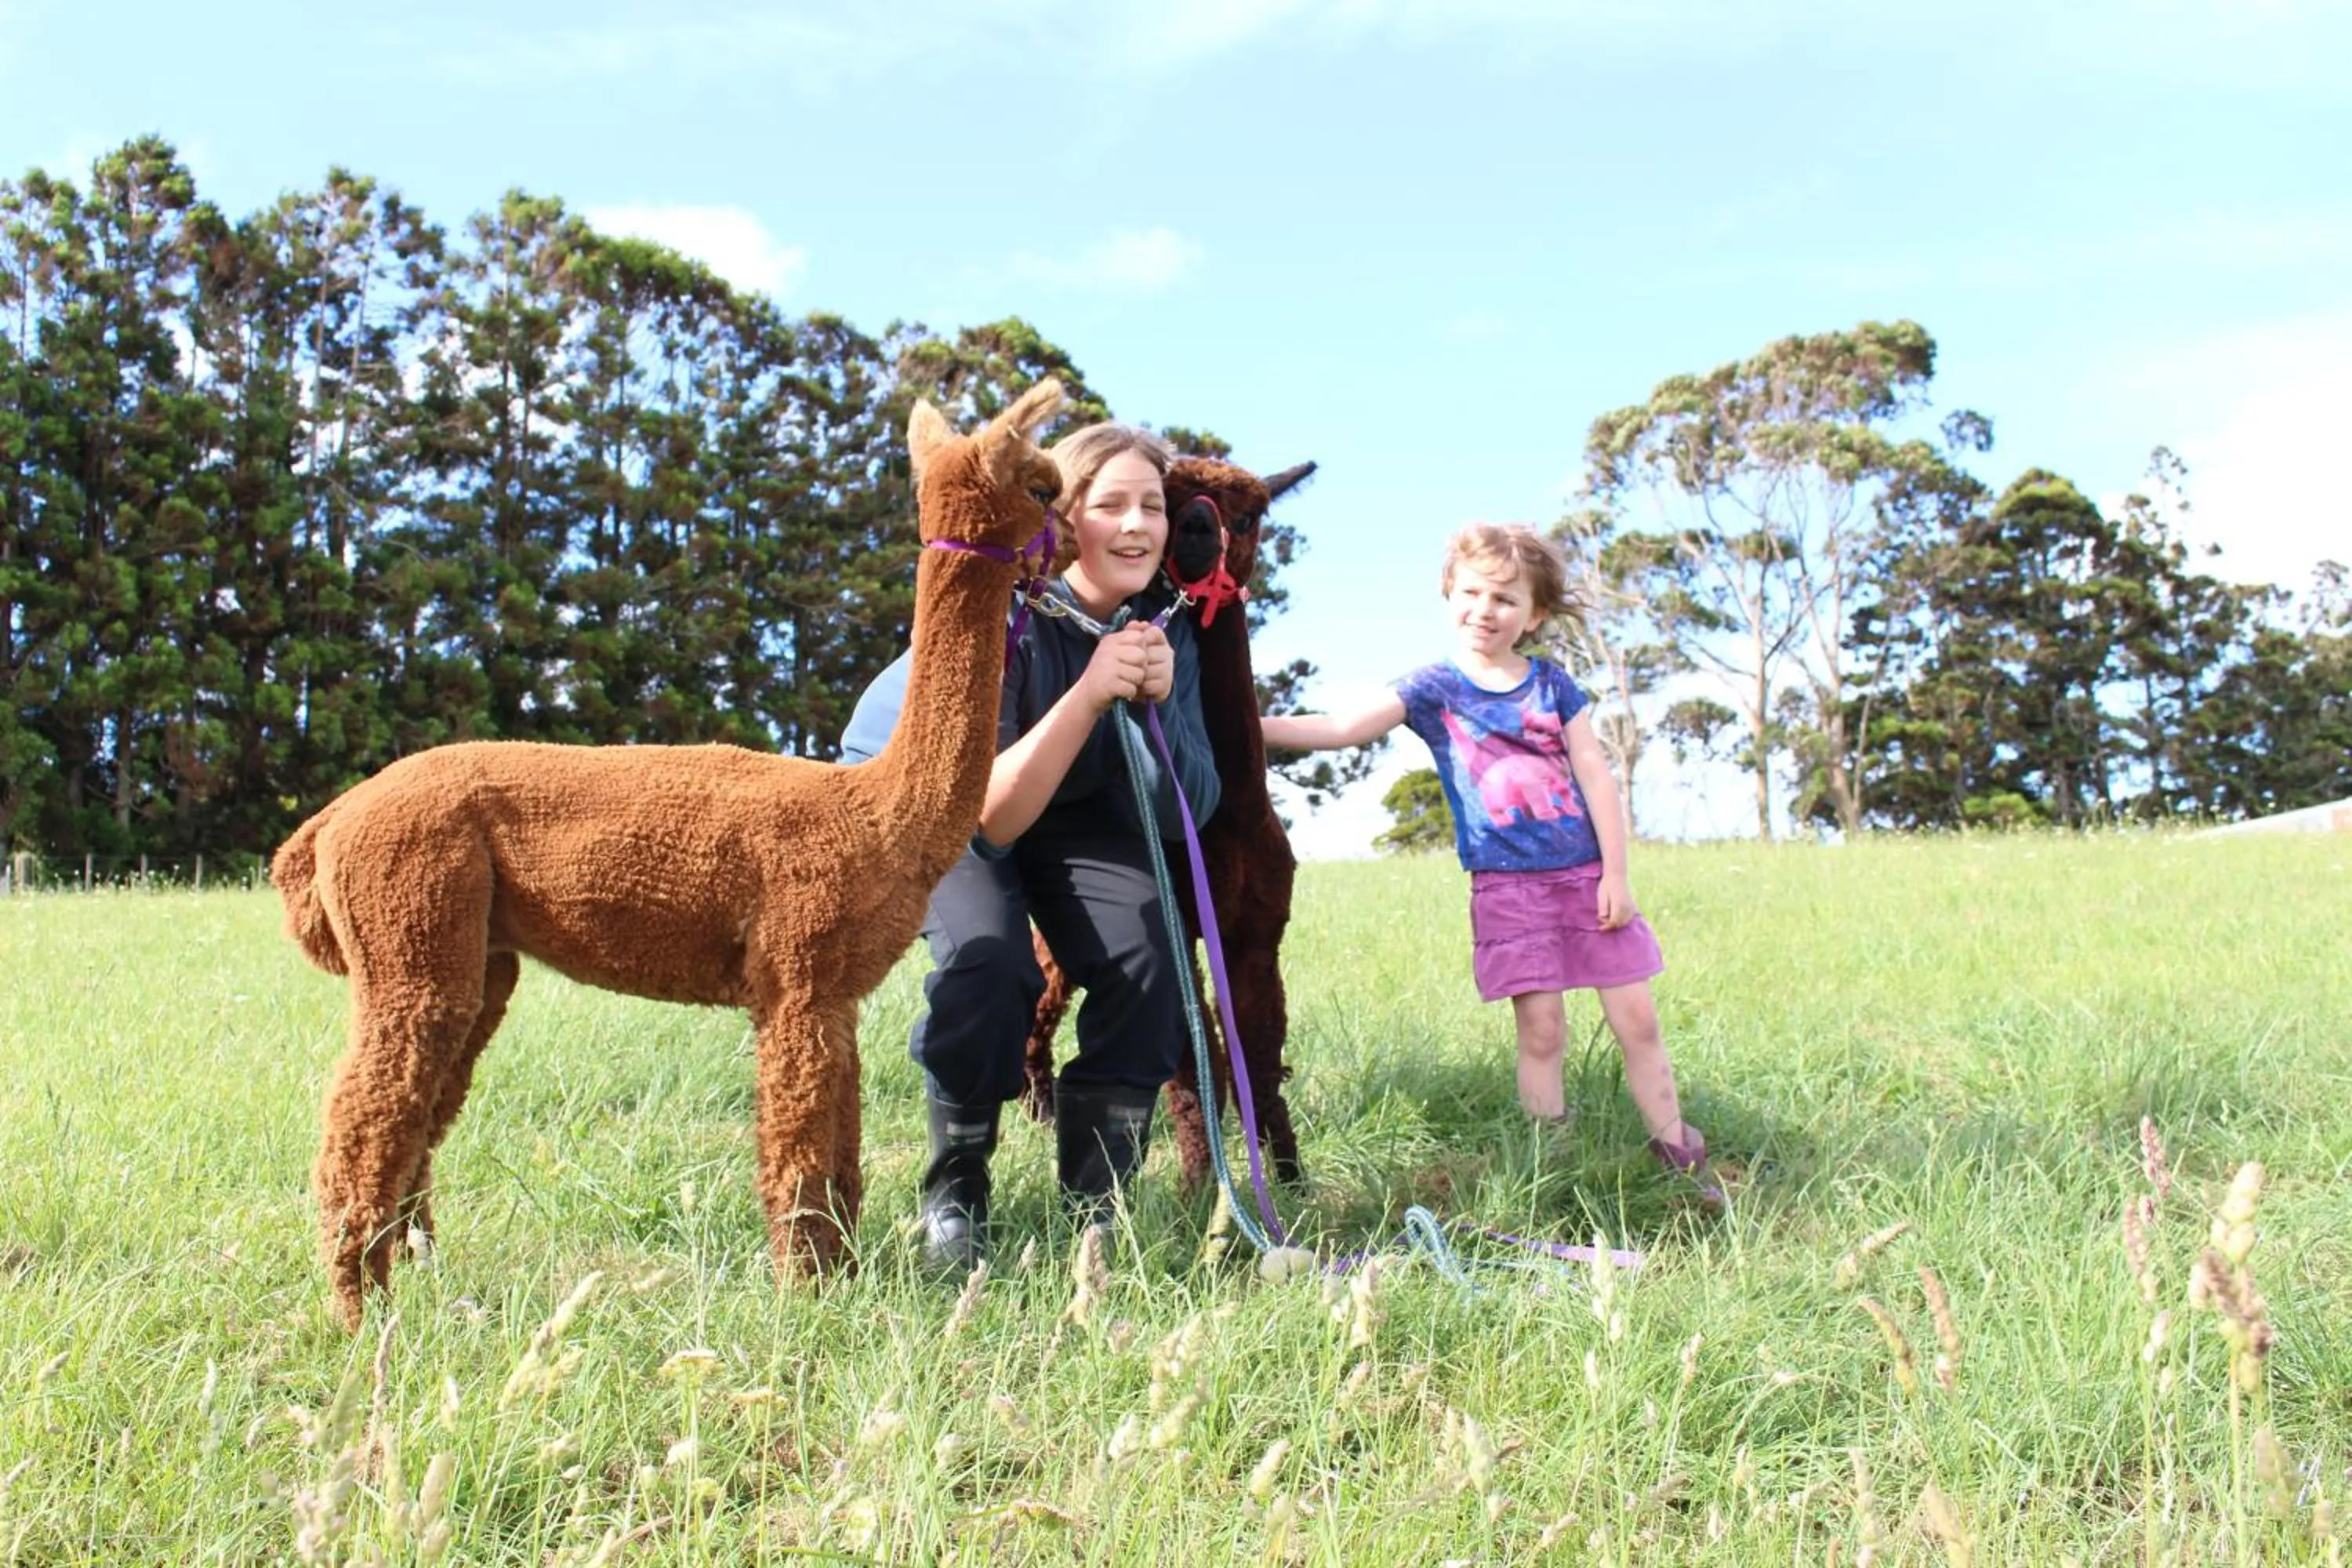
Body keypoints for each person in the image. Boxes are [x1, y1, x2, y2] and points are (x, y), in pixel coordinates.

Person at [840, 423, 1222, 1267]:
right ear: (1063, 518)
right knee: (990, 965)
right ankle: (955, 1194)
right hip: (936, 797)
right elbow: (992, 819)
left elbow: (1189, 809)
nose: (1137, 525)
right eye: (1110, 504)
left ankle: (1097, 1208)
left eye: (1153, 506)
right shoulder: (1003, 606)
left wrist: (1154, 708)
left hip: (1070, 800)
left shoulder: (1166, 622)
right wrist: (1090, 694)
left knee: (1150, 963)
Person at [1259, 523, 1722, 1206]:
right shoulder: (1432, 687)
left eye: (1505, 599)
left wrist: (1617, 875)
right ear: (1449, 593)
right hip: (1509, 889)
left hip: (1585, 878)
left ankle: (1679, 1155)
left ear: (1533, 614)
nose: (1486, 609)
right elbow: (1341, 728)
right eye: (1473, 593)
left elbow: (1595, 775)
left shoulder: (1552, 685)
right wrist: (1243, 725)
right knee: (1543, 1031)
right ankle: (1550, 1168)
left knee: (1639, 1023)